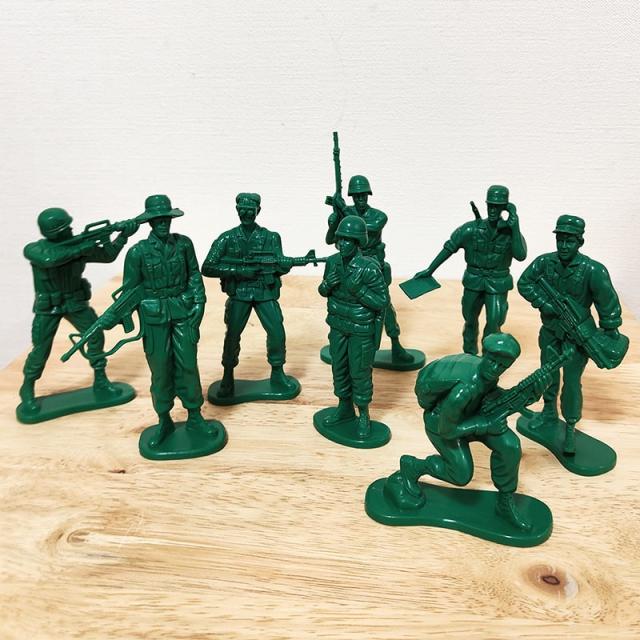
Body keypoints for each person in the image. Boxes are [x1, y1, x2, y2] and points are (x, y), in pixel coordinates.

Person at [398, 333, 548, 530]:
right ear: (485, 354)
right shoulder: (463, 390)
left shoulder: (487, 376)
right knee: (460, 475)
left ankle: (505, 502)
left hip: (474, 414)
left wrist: (529, 395)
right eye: (493, 361)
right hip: (443, 424)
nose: (495, 369)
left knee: (510, 445)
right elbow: (447, 430)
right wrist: (484, 425)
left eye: (502, 366)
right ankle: (413, 467)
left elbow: (491, 395)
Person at [517, 214, 623, 454]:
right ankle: (548, 413)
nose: (564, 246)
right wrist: (544, 303)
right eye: (561, 240)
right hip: (550, 333)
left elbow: (608, 304)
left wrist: (610, 333)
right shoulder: (544, 262)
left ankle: (571, 426)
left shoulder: (593, 270)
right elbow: (524, 283)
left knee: (572, 383)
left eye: (570, 241)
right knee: (548, 375)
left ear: (580, 242)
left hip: (577, 338)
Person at [113, 194, 211, 449]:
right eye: (157, 220)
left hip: (182, 311)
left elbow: (194, 275)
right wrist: (120, 316)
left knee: (188, 364)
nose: (163, 223)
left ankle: (195, 415)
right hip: (154, 316)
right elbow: (129, 291)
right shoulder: (137, 253)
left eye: (166, 219)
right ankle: (164, 418)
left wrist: (199, 302)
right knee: (160, 369)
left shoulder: (184, 244)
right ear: (150, 222)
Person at [20, 207, 138, 411]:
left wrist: (122, 237)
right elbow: (50, 260)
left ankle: (100, 380)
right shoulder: (35, 249)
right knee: (41, 348)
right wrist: (83, 247)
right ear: (54, 232)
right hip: (49, 307)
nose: (71, 229)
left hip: (75, 302)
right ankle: (27, 387)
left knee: (95, 335)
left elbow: (108, 256)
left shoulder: (78, 245)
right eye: (66, 228)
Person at [202, 193, 297, 398]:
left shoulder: (271, 237)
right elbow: (207, 267)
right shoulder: (227, 238)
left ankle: (277, 373)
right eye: (242, 210)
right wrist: (238, 271)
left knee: (277, 331)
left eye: (250, 210)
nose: (246, 213)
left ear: (258, 211)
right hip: (240, 293)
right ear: (237, 211)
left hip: (265, 292)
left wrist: (285, 265)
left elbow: (278, 264)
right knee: (232, 334)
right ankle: (228, 375)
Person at [414, 185, 527, 354]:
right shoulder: (470, 229)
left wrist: (515, 227)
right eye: (490, 205)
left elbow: (521, 255)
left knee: (495, 322)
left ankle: (488, 356)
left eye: (498, 206)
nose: (493, 210)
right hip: (474, 281)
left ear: (505, 207)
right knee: (469, 319)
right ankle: (469, 354)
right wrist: (430, 270)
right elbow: (449, 247)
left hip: (497, 283)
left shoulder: (510, 233)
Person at [327, 175, 412, 363]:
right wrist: (335, 220)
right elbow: (330, 240)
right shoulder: (345, 214)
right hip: (349, 264)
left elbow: (369, 227)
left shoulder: (378, 216)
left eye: (363, 195)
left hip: (372, 267)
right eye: (356, 196)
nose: (360, 199)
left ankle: (395, 342)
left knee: (384, 306)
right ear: (351, 196)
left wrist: (344, 212)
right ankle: (343, 341)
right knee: (342, 299)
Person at [318, 215, 389, 438]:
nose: (343, 244)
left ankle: (364, 414)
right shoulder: (332, 262)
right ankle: (344, 408)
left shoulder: (369, 268)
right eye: (341, 239)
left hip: (360, 328)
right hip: (337, 324)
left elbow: (382, 302)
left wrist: (359, 290)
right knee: (339, 368)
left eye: (348, 240)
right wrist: (327, 284)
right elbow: (322, 290)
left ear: (358, 242)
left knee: (359, 372)